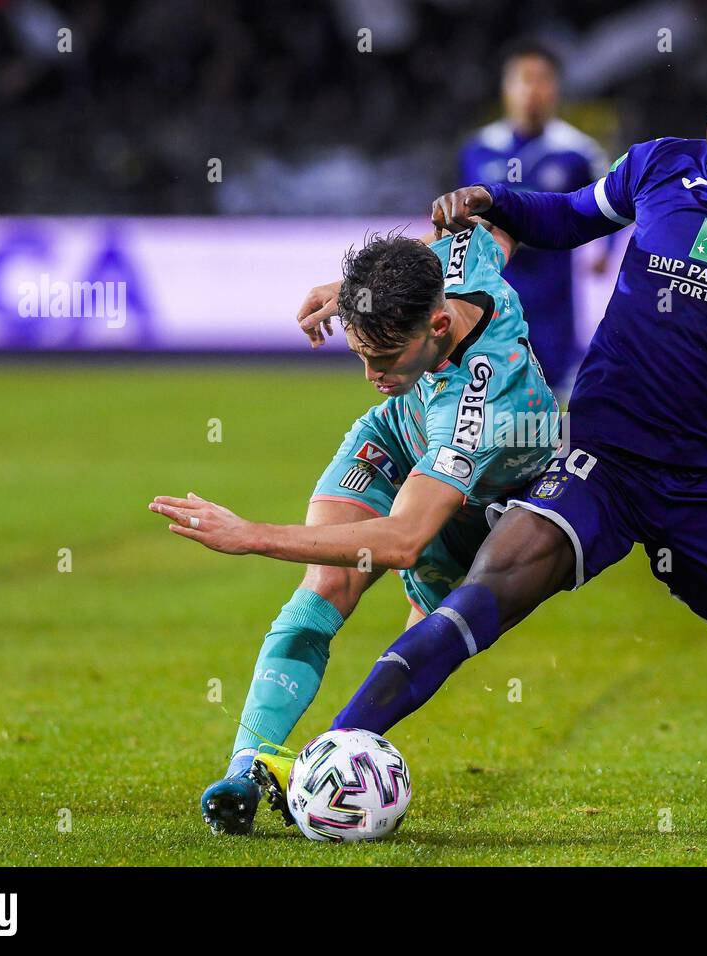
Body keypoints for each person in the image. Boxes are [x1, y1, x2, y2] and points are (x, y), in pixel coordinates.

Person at [299, 29, 707, 815]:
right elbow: (565, 217)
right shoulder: (661, 164)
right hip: (601, 454)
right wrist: (496, 202)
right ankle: (328, 762)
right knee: (485, 591)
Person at [149, 222, 559, 834]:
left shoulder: (480, 405)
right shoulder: (459, 269)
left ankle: (324, 761)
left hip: (485, 498)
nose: (371, 373)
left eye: (385, 358)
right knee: (327, 586)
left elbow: (401, 541)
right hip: (400, 435)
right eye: (360, 354)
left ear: (438, 328)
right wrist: (351, 291)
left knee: (426, 643)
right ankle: (246, 767)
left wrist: (252, 535)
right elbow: (487, 233)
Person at [457, 39, 614, 394]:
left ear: (556, 88)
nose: (533, 90)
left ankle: (555, 449)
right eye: (523, 79)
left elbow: (614, 202)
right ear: (506, 88)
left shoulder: (579, 152)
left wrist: (604, 250)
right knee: (492, 391)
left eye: (542, 79)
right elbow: (458, 210)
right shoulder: (478, 149)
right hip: (493, 287)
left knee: (555, 390)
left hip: (552, 292)